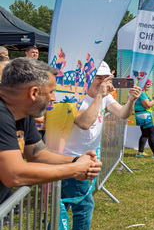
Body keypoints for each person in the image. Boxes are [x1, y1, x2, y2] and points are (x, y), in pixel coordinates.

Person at [61, 61, 141, 230]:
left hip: (87, 157)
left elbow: (122, 113)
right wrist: (99, 96)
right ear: (88, 78)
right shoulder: (75, 97)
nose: (104, 83)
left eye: (107, 78)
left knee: (64, 204)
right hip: (71, 158)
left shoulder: (104, 97)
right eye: (99, 78)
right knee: (84, 204)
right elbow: (84, 123)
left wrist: (131, 101)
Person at [0, 58, 101, 209]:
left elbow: (37, 153)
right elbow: (14, 175)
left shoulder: (21, 111)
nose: (53, 98)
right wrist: (75, 169)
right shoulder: (2, 115)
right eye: (51, 92)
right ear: (34, 92)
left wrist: (76, 161)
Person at [134, 80, 154, 159]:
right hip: (144, 115)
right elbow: (147, 105)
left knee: (144, 134)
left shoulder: (140, 93)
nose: (149, 86)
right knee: (151, 134)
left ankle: (140, 152)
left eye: (150, 84)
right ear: (143, 84)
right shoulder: (142, 93)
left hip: (141, 115)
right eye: (148, 84)